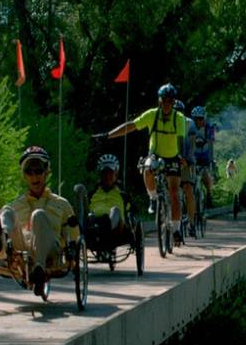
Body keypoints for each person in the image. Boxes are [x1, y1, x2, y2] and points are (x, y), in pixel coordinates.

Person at [0, 146, 79, 295]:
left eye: (38, 170)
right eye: (29, 171)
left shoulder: (62, 204)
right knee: (7, 211)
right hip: (23, 249)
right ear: (24, 175)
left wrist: (72, 253)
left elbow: (74, 236)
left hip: (50, 249)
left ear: (47, 171)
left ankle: (40, 269)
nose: (34, 176)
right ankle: (0, 241)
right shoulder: (17, 204)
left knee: (38, 215)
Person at [102, 83, 186, 243]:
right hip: (155, 154)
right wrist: (109, 135)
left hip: (173, 156)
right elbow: (131, 126)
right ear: (159, 101)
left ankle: (176, 229)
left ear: (173, 102)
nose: (167, 104)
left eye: (170, 101)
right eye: (164, 100)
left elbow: (181, 140)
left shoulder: (179, 118)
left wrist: (181, 156)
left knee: (174, 193)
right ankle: (153, 198)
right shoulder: (152, 115)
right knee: (147, 168)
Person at [74, 154, 125, 245]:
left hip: (114, 229)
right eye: (104, 173)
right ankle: (81, 232)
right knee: (79, 188)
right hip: (93, 222)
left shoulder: (122, 194)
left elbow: (131, 212)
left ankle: (103, 230)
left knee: (115, 210)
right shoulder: (93, 192)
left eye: (110, 173)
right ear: (100, 174)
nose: (107, 176)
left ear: (116, 174)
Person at [176, 100, 198, 238]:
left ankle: (191, 223)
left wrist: (187, 159)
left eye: (179, 111)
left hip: (185, 160)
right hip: (171, 160)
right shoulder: (166, 122)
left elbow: (191, 144)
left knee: (188, 190)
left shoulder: (189, 123)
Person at [191, 106, 216, 208]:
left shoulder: (208, 127)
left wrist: (211, 159)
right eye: (195, 119)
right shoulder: (189, 126)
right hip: (193, 155)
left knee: (205, 175)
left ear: (204, 118)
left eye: (200, 118)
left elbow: (210, 143)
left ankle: (209, 195)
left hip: (204, 155)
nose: (198, 121)